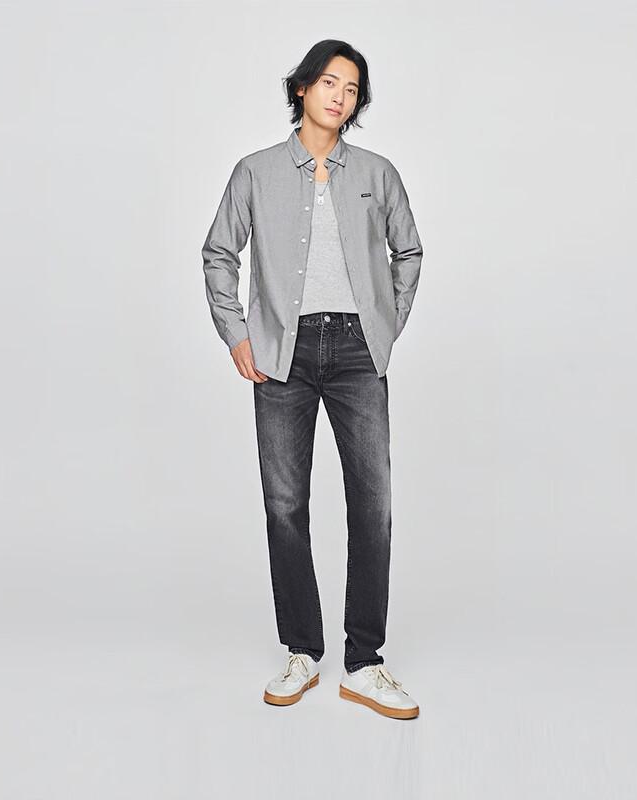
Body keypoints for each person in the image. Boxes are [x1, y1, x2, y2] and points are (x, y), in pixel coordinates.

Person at [201, 39, 423, 720]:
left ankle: (365, 662)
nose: (339, 96)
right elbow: (218, 253)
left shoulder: (378, 173)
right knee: (285, 504)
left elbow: (409, 252)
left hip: (357, 351)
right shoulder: (255, 171)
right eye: (329, 82)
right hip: (282, 353)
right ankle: (302, 650)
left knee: (373, 505)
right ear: (301, 88)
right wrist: (238, 334)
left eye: (351, 89)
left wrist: (384, 327)